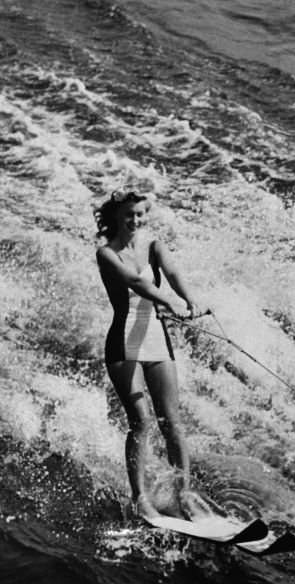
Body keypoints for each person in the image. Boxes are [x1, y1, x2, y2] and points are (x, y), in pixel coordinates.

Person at [94, 189, 203, 519]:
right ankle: (140, 498)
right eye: (129, 215)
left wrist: (189, 299)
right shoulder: (106, 253)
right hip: (123, 343)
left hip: (157, 339)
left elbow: (173, 273)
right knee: (141, 422)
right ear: (115, 216)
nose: (135, 220)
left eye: (140, 214)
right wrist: (168, 302)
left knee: (173, 423)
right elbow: (133, 282)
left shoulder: (154, 246)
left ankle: (185, 495)